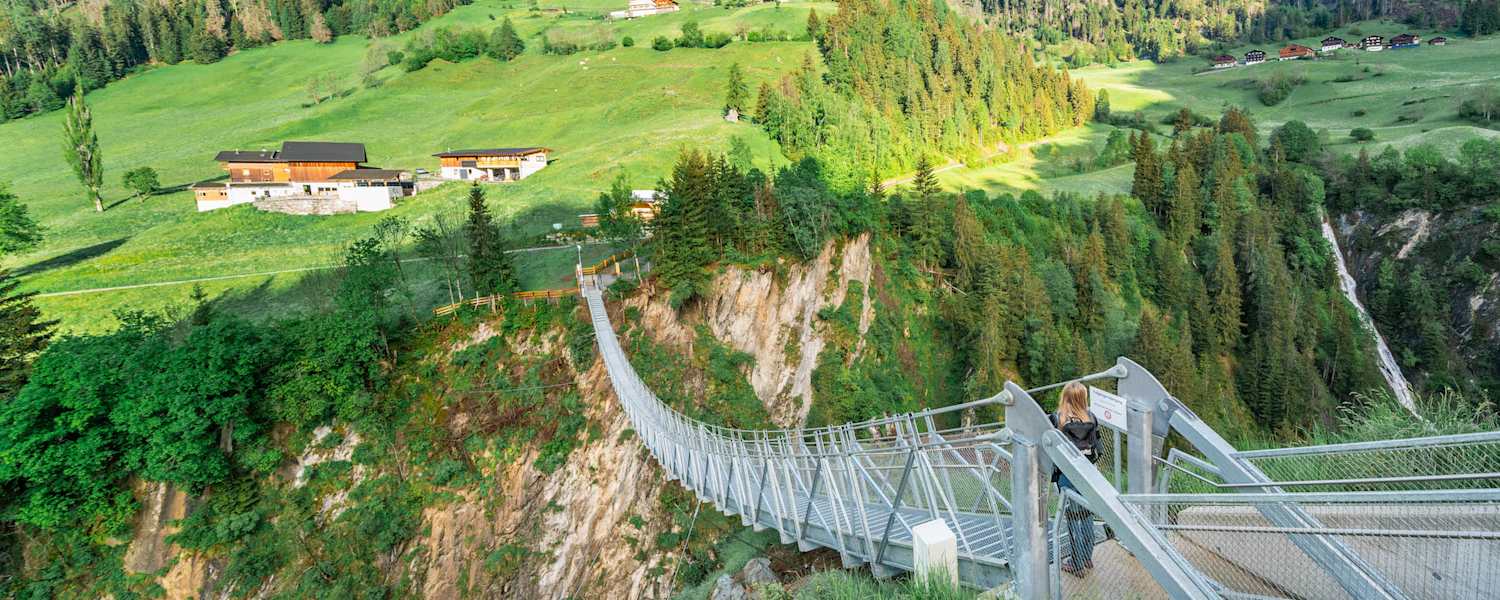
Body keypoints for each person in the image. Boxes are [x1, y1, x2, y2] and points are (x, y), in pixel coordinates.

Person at [1051, 381, 1101, 576]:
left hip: (1066, 475)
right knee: (1087, 514)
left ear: (1065, 397)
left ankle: (1076, 563)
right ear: (1083, 398)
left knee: (1072, 518)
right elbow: (1099, 448)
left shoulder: (1057, 419)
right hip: (1087, 473)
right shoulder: (1092, 418)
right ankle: (1087, 557)